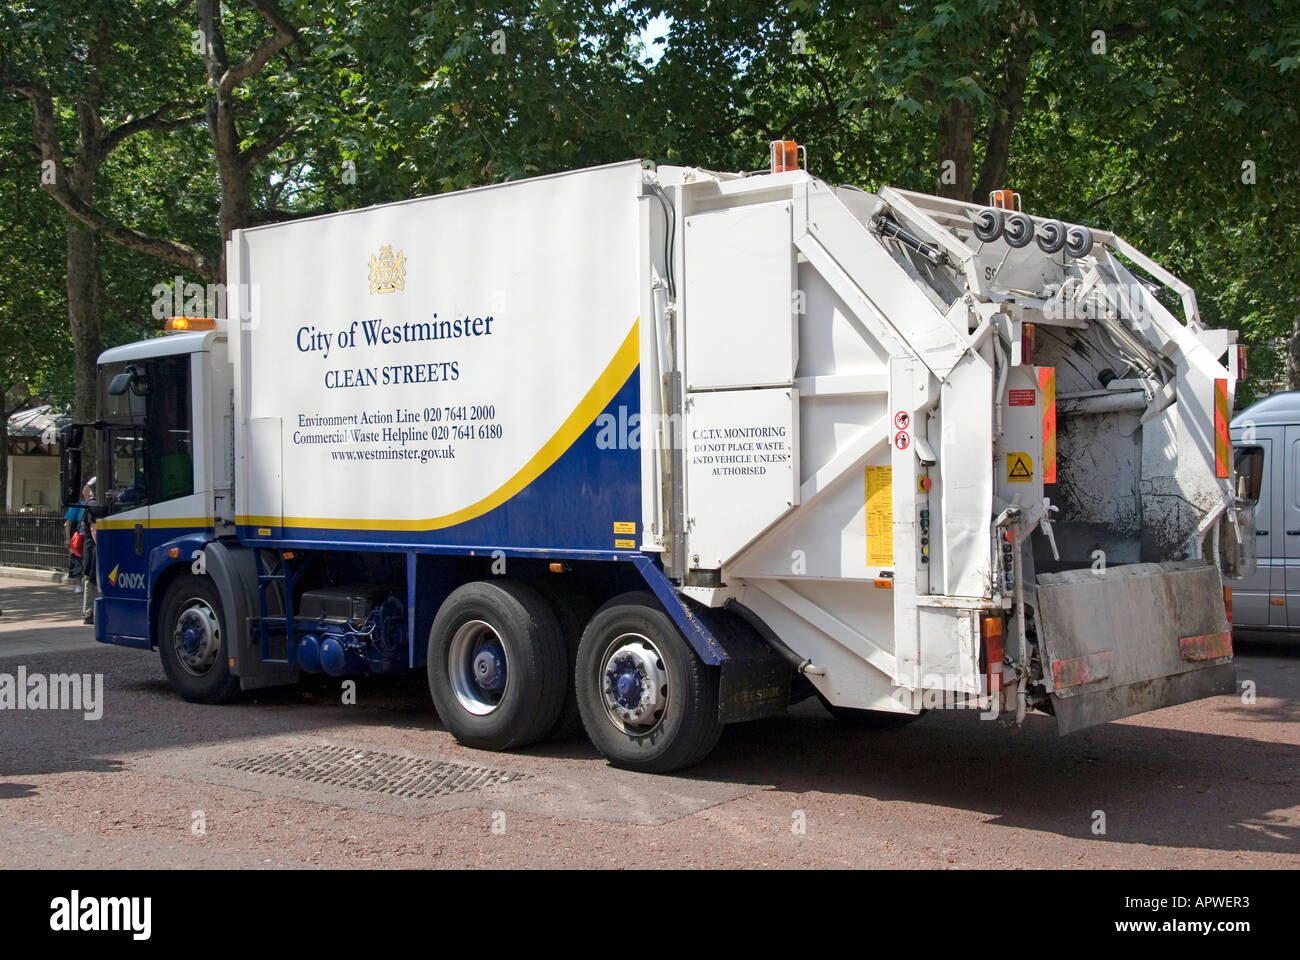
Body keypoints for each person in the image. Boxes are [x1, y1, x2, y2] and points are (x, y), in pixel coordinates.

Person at [63, 500, 85, 592]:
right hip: (80, 536)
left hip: (90, 536)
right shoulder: (78, 505)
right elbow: (68, 523)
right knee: (77, 560)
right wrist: (68, 538)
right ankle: (79, 584)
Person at [81, 513, 97, 625]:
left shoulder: (88, 506)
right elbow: (94, 529)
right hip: (93, 550)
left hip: (89, 549)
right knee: (90, 581)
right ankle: (89, 613)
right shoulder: (93, 506)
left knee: (90, 581)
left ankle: (89, 613)